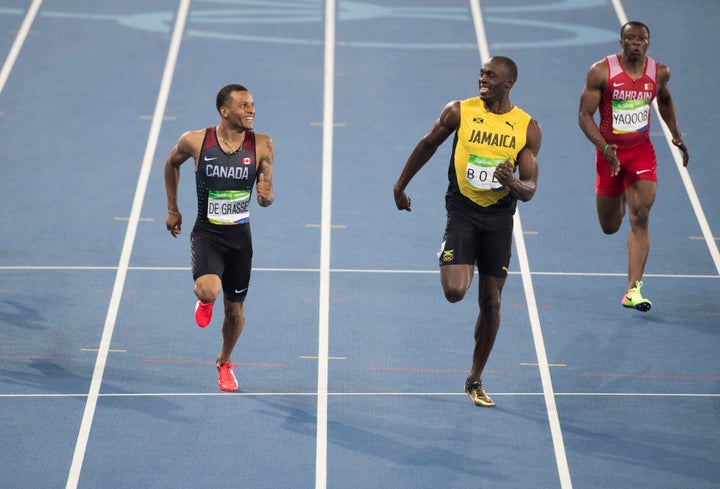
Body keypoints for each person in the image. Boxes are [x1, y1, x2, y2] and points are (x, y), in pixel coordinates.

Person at [393, 57, 542, 407]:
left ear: (510, 83)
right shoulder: (460, 111)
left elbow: (531, 189)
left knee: (491, 300)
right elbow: (428, 144)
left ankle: (475, 377)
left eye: (491, 76)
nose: (482, 79)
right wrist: (400, 186)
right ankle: (453, 251)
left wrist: (512, 182)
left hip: (500, 219)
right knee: (456, 291)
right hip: (462, 211)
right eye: (481, 74)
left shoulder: (527, 127)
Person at [164, 84, 274, 392]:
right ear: (224, 111)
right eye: (243, 105)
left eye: (252, 104)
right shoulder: (196, 141)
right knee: (209, 291)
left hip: (240, 241)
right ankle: (205, 299)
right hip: (208, 235)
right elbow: (171, 164)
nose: (251, 110)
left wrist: (266, 196)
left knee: (235, 312)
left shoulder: (262, 145)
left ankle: (224, 362)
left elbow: (267, 194)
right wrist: (173, 209)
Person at [579, 21, 689, 312]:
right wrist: (604, 147)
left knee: (640, 216)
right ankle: (620, 195)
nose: (636, 43)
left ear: (648, 43)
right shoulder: (601, 72)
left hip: (640, 153)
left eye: (642, 39)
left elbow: (664, 100)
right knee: (610, 226)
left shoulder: (659, 72)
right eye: (630, 38)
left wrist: (675, 135)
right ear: (621, 42)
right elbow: (584, 115)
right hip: (609, 155)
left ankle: (633, 289)